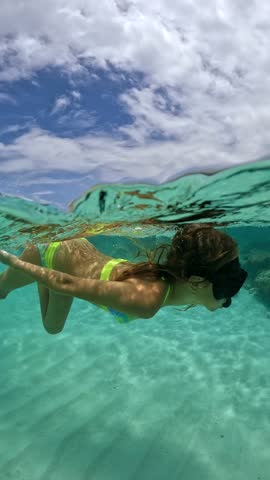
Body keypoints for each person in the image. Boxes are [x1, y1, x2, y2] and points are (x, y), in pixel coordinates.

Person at [0, 223, 247, 334]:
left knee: (53, 328)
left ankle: (44, 277)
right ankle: (36, 272)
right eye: (228, 288)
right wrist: (15, 262)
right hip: (48, 253)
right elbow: (65, 283)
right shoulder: (146, 300)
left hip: (65, 264)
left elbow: (65, 284)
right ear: (196, 281)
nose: (228, 300)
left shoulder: (170, 280)